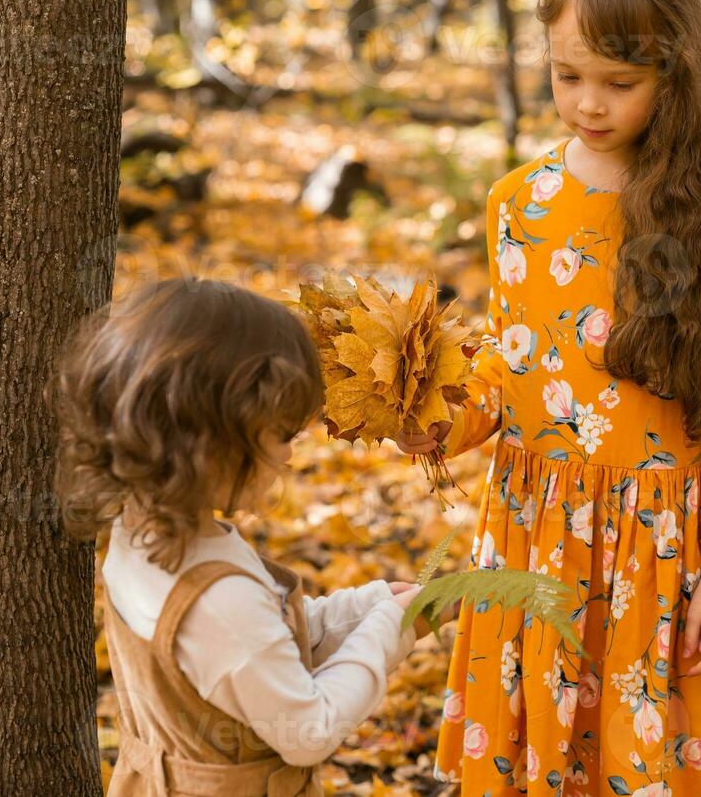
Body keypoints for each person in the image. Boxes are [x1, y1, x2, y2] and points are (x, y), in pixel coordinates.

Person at [396, 0, 701, 793]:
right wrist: (431, 418)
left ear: (674, 74)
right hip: (535, 540)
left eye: (620, 83)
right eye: (565, 75)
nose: (588, 103)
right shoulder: (519, 203)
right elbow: (510, 370)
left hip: (662, 554)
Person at [53, 277, 449, 796]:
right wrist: (387, 630)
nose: (289, 455)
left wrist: (369, 606)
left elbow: (258, 652)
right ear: (212, 441)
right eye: (281, 434)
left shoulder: (142, 533)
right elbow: (309, 728)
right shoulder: (218, 597)